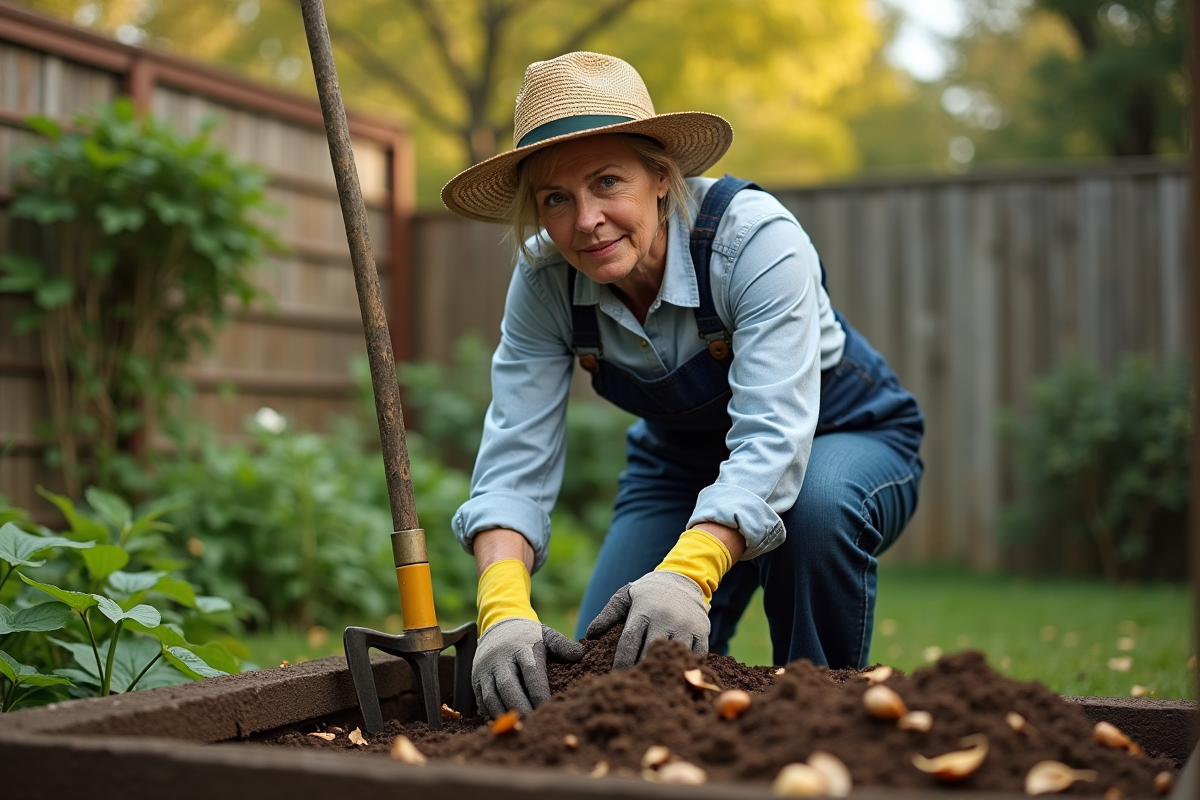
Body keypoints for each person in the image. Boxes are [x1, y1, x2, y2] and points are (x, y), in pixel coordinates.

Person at [441, 52, 924, 720]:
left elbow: (774, 438)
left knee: (812, 510)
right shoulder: (545, 280)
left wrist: (689, 571)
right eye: (557, 198)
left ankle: (825, 723)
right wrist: (501, 606)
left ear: (661, 178)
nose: (586, 221)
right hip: (679, 462)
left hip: (841, 435)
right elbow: (512, 462)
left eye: (608, 182)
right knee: (611, 669)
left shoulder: (755, 240)